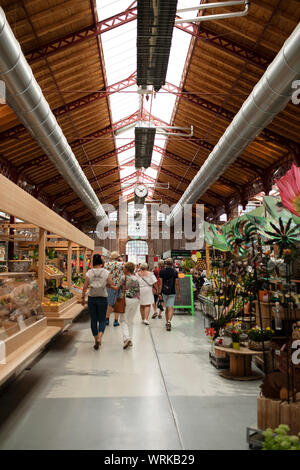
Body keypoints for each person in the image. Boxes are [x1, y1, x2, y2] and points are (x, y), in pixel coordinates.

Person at [81, 254, 118, 350]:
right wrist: (108, 286)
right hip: (102, 298)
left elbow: (85, 286)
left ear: (93, 262)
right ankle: (100, 337)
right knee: (102, 319)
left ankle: (96, 338)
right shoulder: (106, 272)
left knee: (93, 320)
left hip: (92, 298)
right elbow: (112, 284)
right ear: (101, 263)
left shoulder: (89, 272)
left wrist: (82, 298)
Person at [118, 262, 140, 349]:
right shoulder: (136, 278)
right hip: (135, 300)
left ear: (127, 269)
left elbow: (118, 288)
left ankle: (126, 338)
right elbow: (138, 291)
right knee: (130, 321)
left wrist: (110, 286)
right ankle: (130, 340)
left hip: (126, 300)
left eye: (124, 268)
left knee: (123, 320)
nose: (123, 269)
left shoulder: (123, 277)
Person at [158, 258, 181, 331]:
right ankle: (169, 321)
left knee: (167, 307)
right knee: (170, 307)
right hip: (172, 291)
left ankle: (167, 321)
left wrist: (159, 292)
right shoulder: (175, 272)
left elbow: (160, 283)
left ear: (165, 263)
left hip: (164, 292)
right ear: (172, 264)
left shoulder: (161, 271)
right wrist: (179, 293)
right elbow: (177, 283)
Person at [105, 251, 124, 327]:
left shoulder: (106, 264)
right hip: (119, 286)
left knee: (109, 303)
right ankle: (116, 321)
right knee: (118, 303)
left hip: (109, 286)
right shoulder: (122, 264)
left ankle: (107, 319)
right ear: (118, 257)